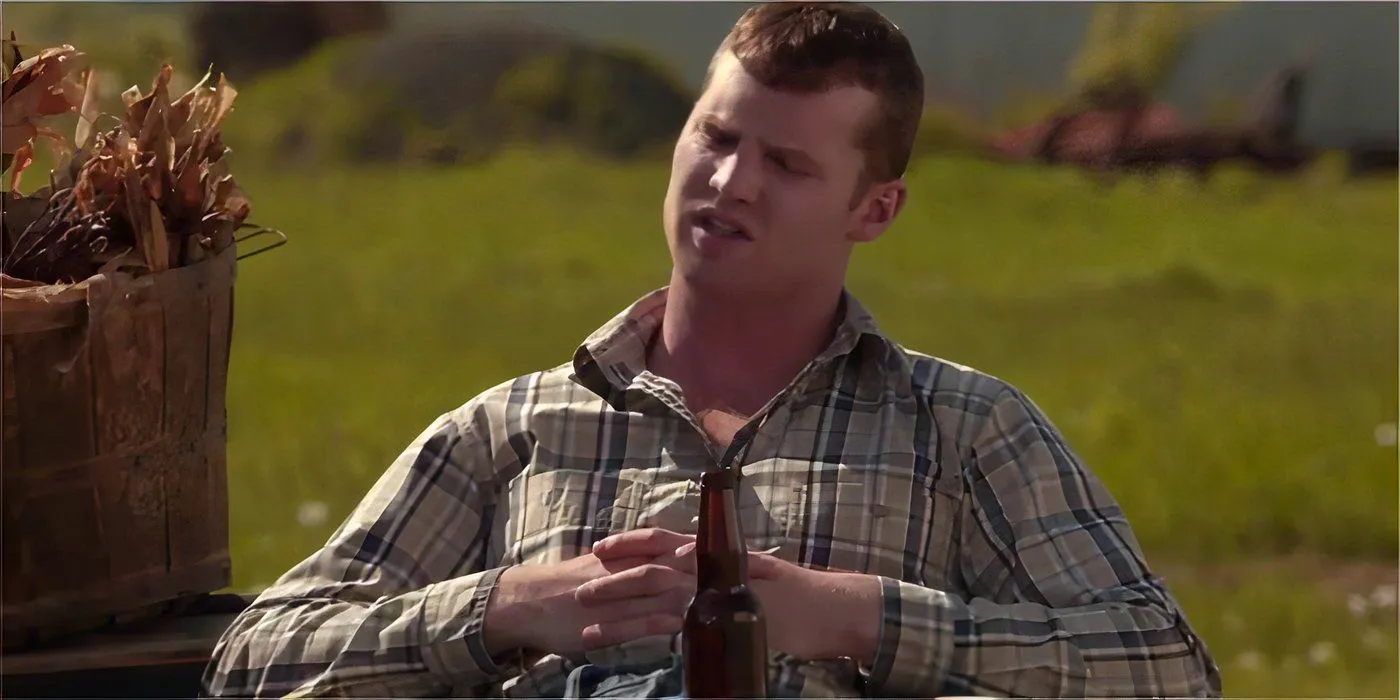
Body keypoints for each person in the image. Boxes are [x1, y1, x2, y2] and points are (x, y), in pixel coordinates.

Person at [202, 3, 1223, 698]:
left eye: (784, 162)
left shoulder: (958, 430)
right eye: (714, 137)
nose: (729, 182)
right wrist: (509, 606)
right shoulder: (513, 430)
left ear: (873, 208)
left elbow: (1165, 667)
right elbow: (251, 661)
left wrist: (850, 617)